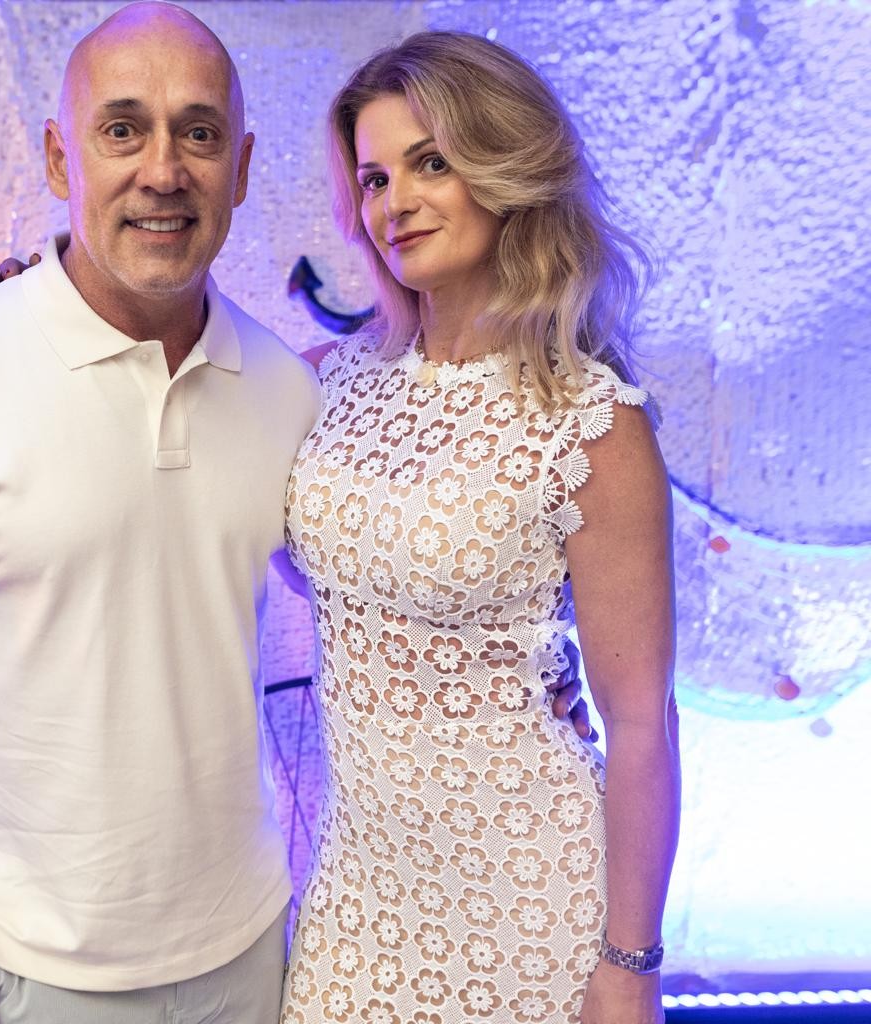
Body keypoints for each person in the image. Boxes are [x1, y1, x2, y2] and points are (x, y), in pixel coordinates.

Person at [0, 7, 591, 1024]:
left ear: (240, 166)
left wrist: (523, 681)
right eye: (121, 129)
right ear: (60, 157)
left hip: (253, 956)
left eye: (198, 132)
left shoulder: (286, 391)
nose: (162, 170)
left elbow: (386, 583)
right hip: (30, 976)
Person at [274, 31, 680, 1024]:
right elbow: (326, 560)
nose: (394, 203)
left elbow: (641, 724)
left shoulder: (592, 423)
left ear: (503, 168)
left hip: (528, 908)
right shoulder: (329, 384)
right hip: (356, 905)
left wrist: (629, 966)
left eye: (430, 163)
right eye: (374, 178)